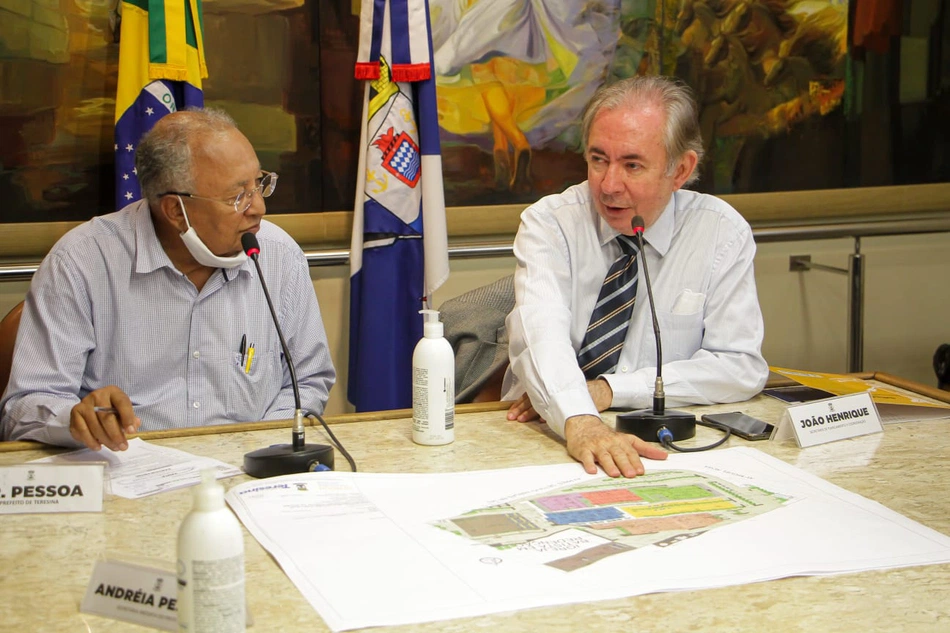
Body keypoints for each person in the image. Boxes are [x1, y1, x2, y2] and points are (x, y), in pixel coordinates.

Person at [0, 109, 335, 451]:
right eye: (238, 196)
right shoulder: (81, 262)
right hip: (127, 472)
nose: (259, 208)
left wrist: (260, 447)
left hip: (248, 473)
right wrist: (75, 418)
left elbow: (308, 380)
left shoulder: (278, 255)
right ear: (176, 210)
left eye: (259, 184)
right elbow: (25, 407)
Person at [502, 75, 768, 478]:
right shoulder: (550, 223)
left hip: (668, 446)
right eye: (598, 159)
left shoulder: (720, 233)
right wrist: (579, 415)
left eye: (632, 165)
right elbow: (543, 337)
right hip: (550, 429)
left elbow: (739, 366)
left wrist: (608, 390)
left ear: (680, 170)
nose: (609, 185)